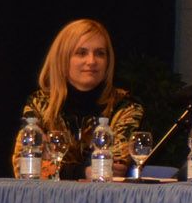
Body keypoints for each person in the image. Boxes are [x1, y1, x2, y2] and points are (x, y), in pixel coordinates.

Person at [14, 19, 144, 177]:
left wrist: (54, 164)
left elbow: (115, 167)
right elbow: (25, 166)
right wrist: (84, 172)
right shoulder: (39, 103)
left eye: (100, 53)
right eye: (81, 53)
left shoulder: (126, 106)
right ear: (62, 58)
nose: (91, 61)